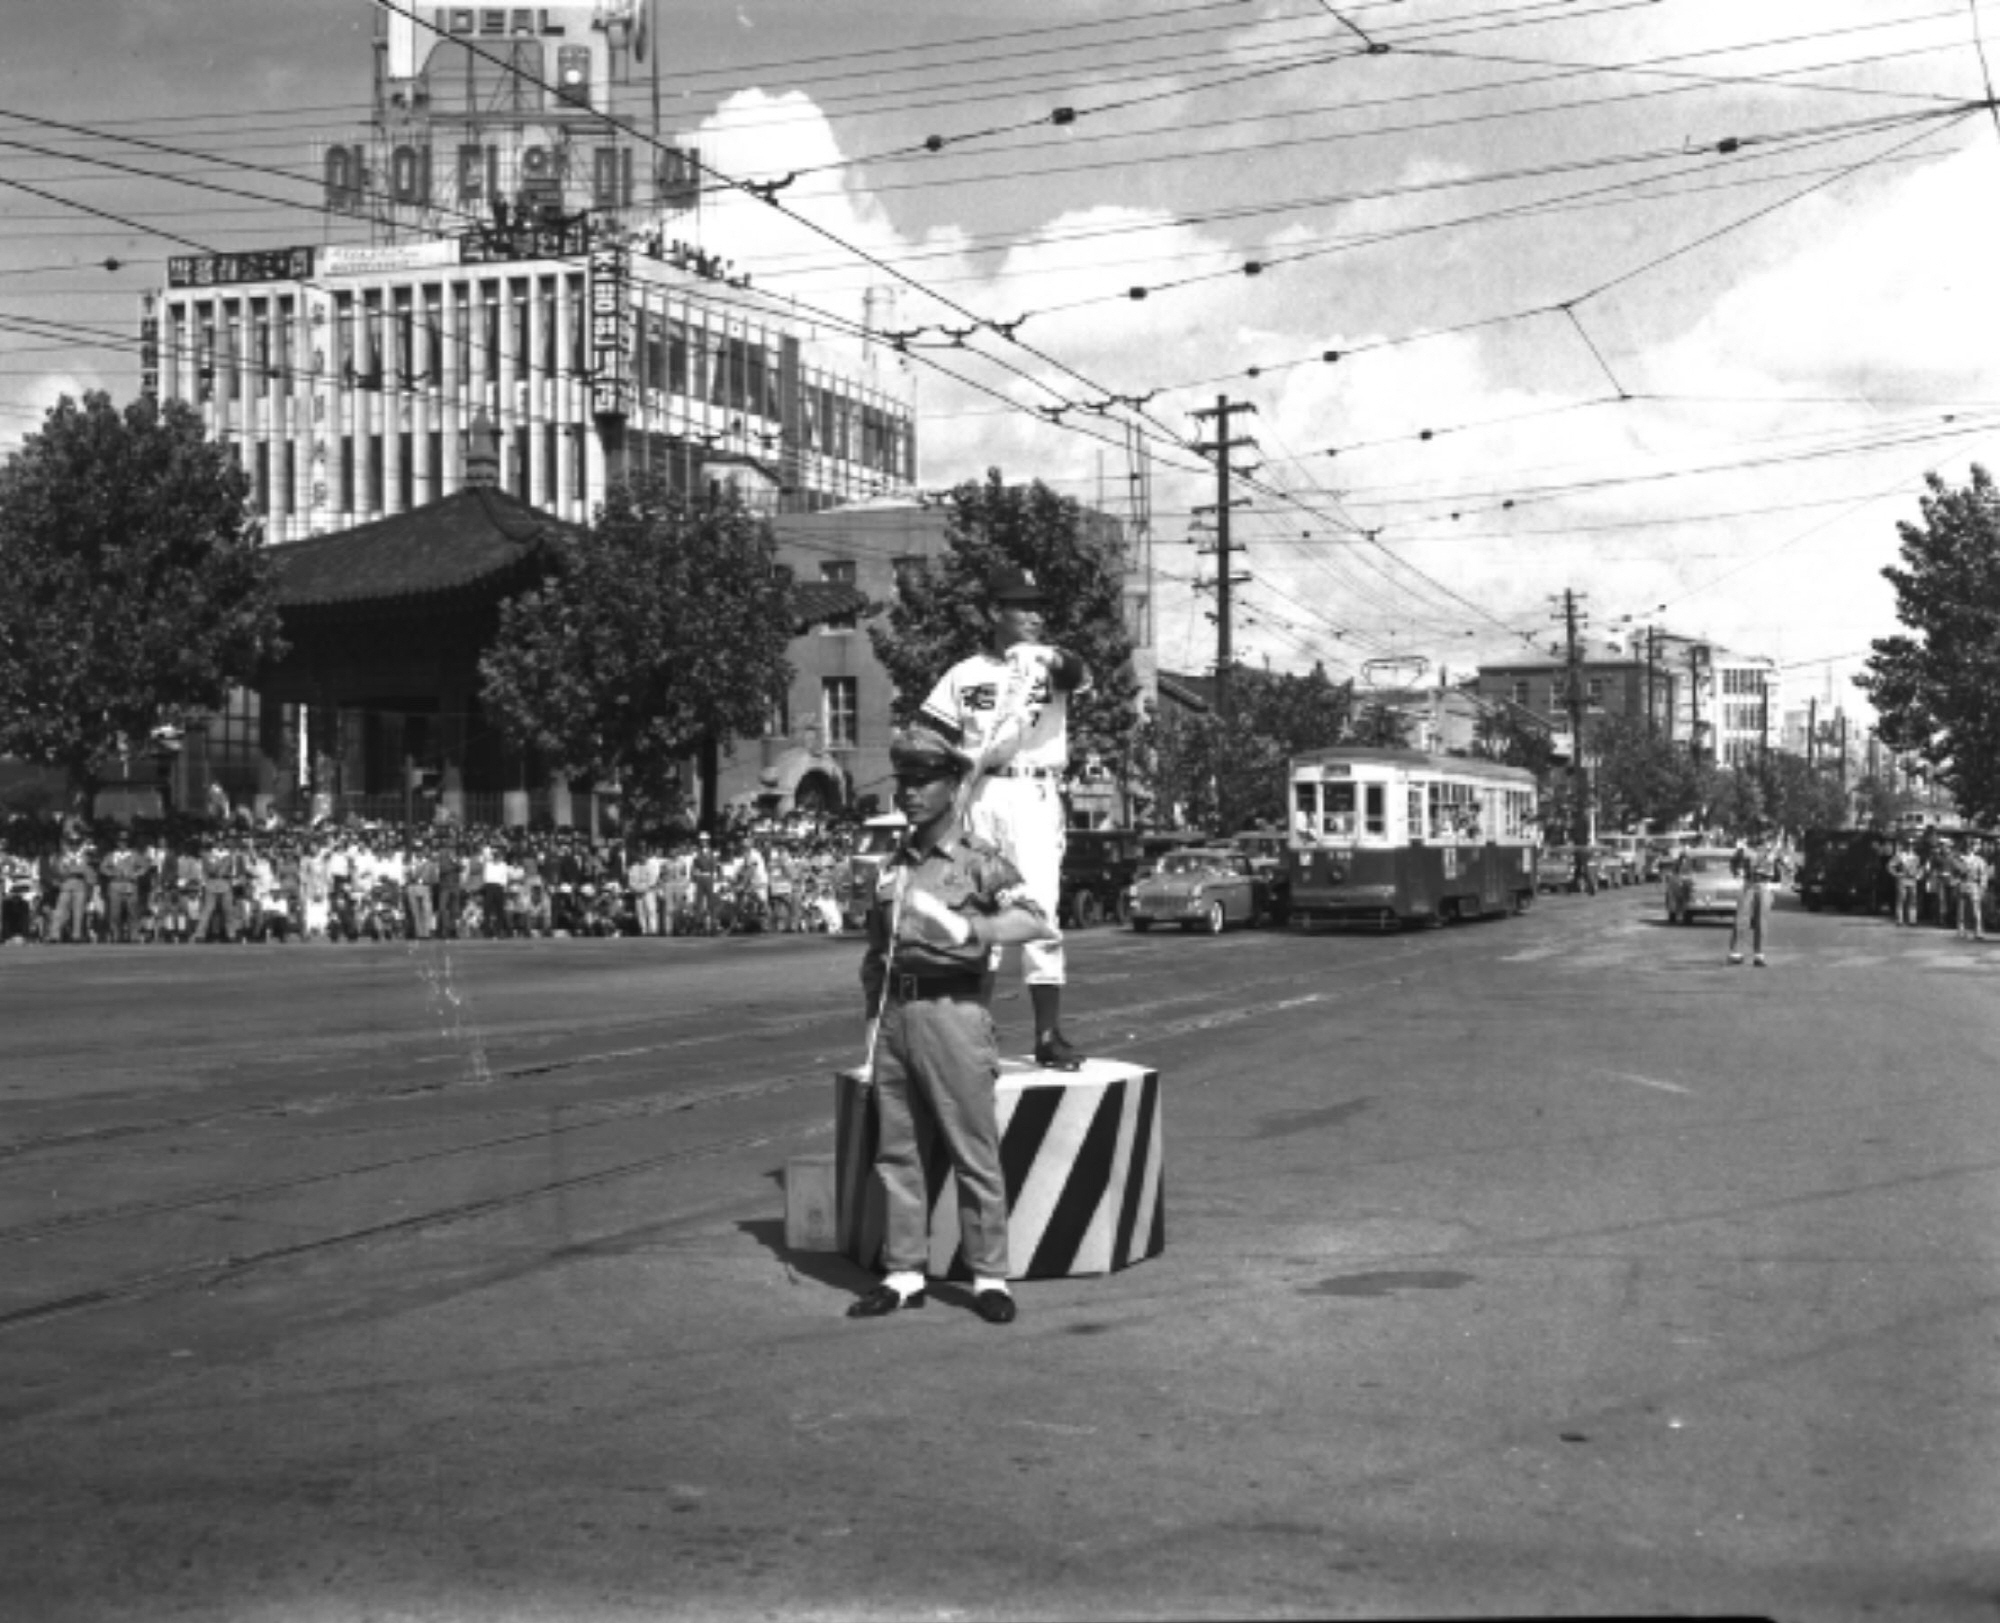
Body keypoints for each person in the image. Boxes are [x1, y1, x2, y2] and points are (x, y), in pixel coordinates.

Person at [848, 727, 1055, 1325]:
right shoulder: (896, 865)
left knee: (973, 1150)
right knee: (897, 1153)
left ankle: (990, 1275)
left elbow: (1034, 920)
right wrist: (871, 1028)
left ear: (955, 786)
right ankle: (905, 1272)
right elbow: (875, 953)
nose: (910, 793)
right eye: (904, 782)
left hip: (955, 1014)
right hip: (896, 1017)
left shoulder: (977, 861)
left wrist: (972, 931)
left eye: (923, 781)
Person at [918, 566, 1091, 1070]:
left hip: (1033, 789)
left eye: (1039, 606)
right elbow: (933, 733)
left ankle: (1047, 1034)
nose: (1036, 615)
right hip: (981, 791)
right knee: (977, 912)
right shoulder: (964, 673)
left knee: (1038, 908)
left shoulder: (1045, 664)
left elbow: (1075, 673)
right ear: (996, 612)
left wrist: (1045, 656)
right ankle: (972, 1037)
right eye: (1024, 605)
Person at [1728, 824, 1789, 967]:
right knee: (1740, 918)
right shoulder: (1745, 850)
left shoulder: (1773, 851)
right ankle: (1736, 952)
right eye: (1759, 832)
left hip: (1764, 885)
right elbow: (1733, 863)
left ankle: (1759, 954)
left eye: (1765, 832)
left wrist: (1778, 883)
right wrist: (1737, 873)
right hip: (1748, 884)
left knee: (1761, 921)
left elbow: (1787, 868)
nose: (1761, 835)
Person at [1954, 836, 1990, 942]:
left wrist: (1983, 886)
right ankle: (1961, 930)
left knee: (1976, 911)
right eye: (1966, 846)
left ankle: (1978, 931)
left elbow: (1983, 874)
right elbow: (1955, 873)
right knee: (1961, 910)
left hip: (1974, 885)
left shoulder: (1979, 860)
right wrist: (1956, 881)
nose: (1968, 848)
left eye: (1970, 846)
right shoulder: (1959, 859)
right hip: (1962, 884)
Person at [1889, 837, 1921, 927]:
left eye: (1912, 845)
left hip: (1912, 880)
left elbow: (1920, 868)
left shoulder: (1916, 856)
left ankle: (1912, 920)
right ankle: (1900, 920)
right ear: (1905, 845)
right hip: (1902, 879)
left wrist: (1919, 875)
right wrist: (1896, 874)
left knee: (1913, 900)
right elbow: (1890, 866)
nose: (1910, 847)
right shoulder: (1900, 855)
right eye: (1908, 845)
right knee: (1901, 899)